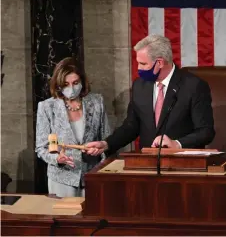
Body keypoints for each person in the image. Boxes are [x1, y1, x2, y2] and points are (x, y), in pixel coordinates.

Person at [84, 35, 215, 157]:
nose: (139, 69)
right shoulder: (140, 86)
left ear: (159, 63)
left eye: (143, 64)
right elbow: (131, 126)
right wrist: (107, 144)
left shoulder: (194, 86)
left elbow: (205, 132)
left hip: (181, 164)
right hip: (147, 163)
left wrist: (177, 144)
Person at [35, 57, 110, 197]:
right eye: (66, 84)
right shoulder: (47, 107)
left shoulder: (97, 101)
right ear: (58, 85)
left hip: (92, 176)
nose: (71, 88)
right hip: (62, 178)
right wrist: (57, 159)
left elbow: (107, 138)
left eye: (75, 83)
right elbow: (41, 147)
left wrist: (99, 151)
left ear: (82, 81)